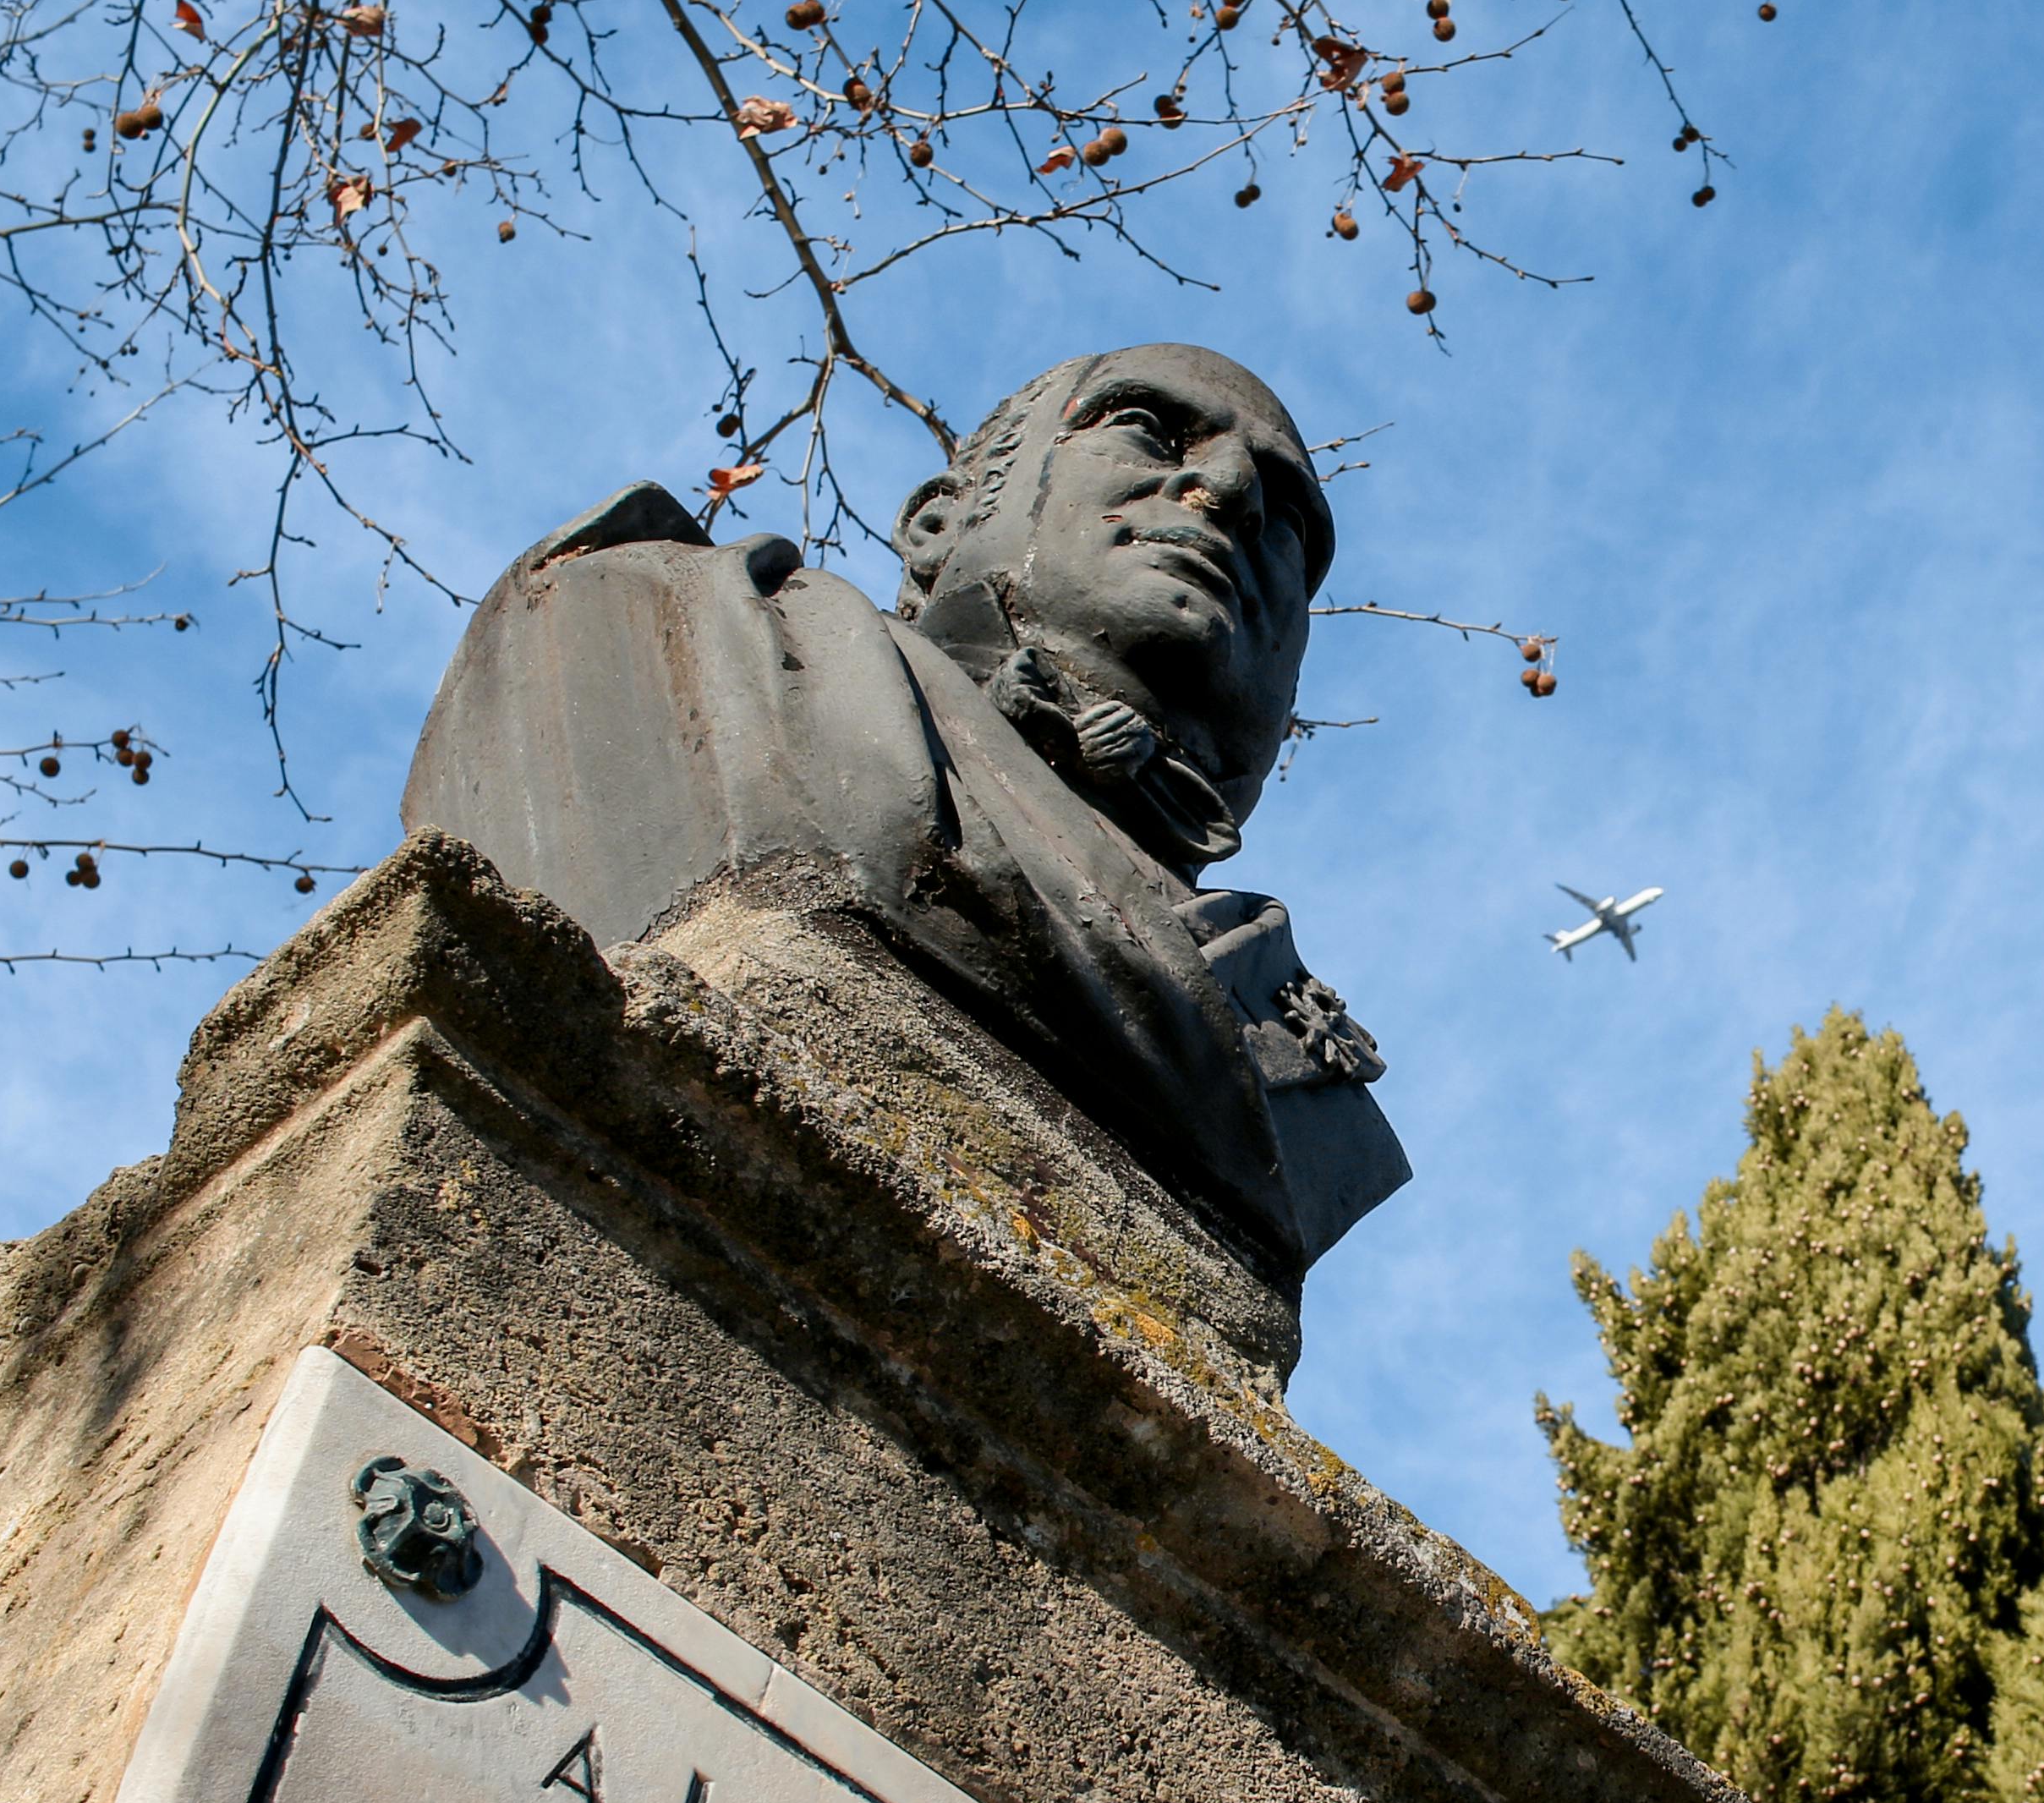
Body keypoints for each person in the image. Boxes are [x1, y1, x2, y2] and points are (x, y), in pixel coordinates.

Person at [399, 344, 1410, 1279]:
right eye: (1147, 428)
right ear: (942, 520)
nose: (1227, 494)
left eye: (1286, 522)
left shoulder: (1299, 1058)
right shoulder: (668, 631)